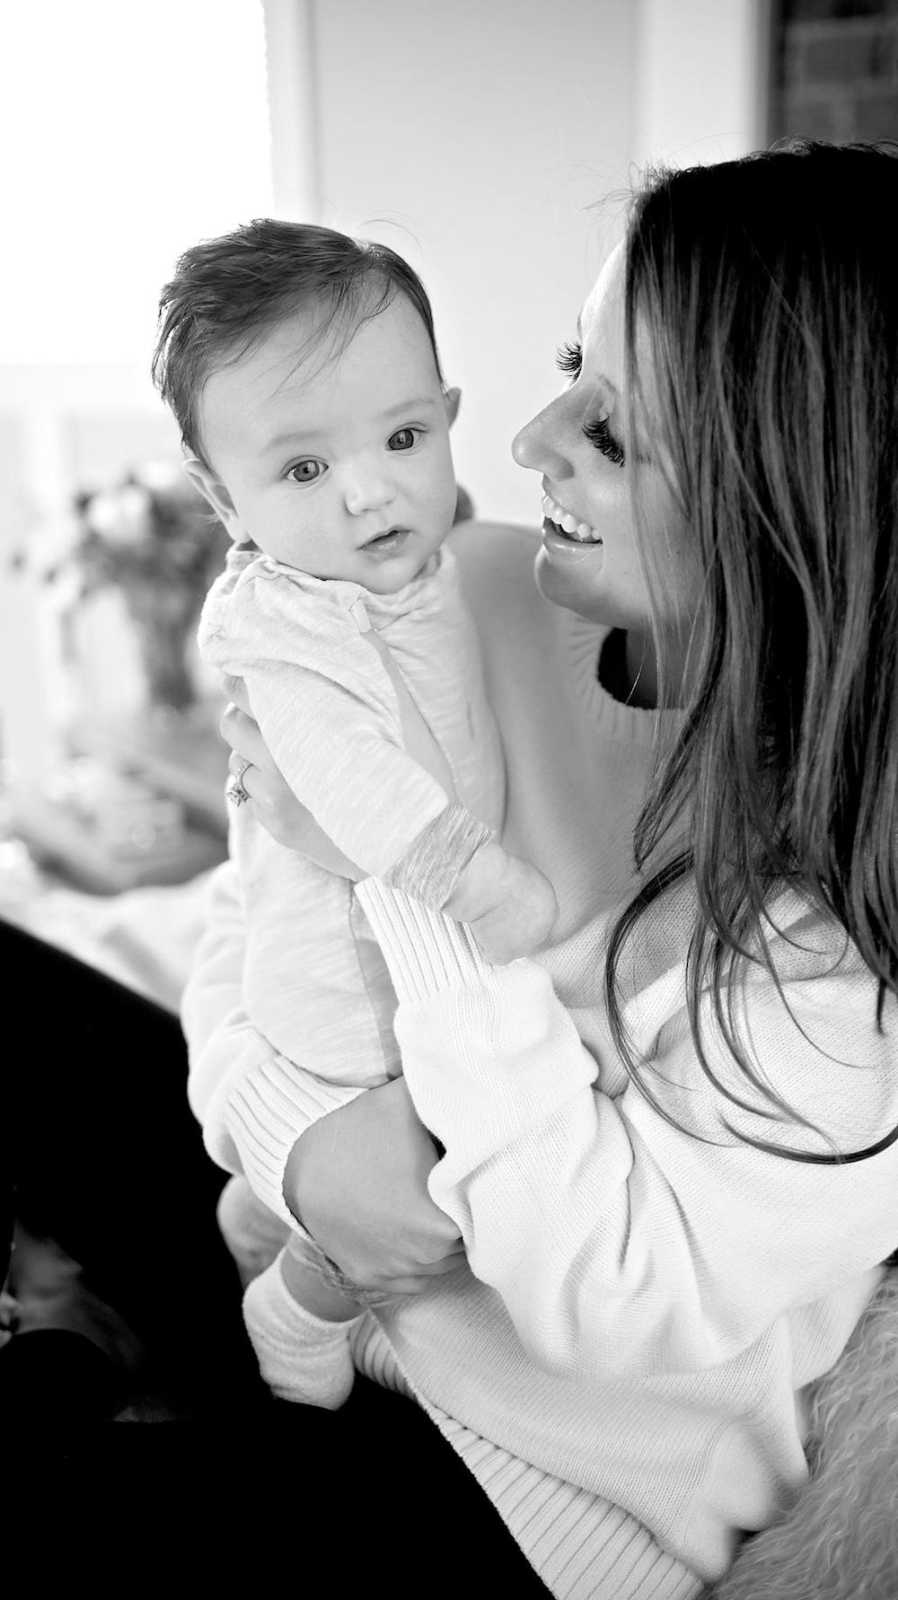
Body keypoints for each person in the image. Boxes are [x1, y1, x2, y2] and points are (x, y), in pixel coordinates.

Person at [185, 140, 898, 1599]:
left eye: (615, 435)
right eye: (574, 361)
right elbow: (247, 901)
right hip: (305, 1283)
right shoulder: (470, 594)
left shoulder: (837, 962)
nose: (524, 441)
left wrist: (393, 878)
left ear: (793, 509)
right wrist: (293, 1143)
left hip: (535, 1485)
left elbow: (612, 1300)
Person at [151, 220, 556, 1404]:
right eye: (304, 470)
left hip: (408, 971)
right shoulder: (285, 624)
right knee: (436, 1171)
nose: (374, 489)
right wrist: (493, 891)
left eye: (403, 436)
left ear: (448, 414)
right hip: (350, 1004)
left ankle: (251, 1218)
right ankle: (303, 1303)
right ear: (221, 499)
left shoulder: (424, 561)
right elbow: (362, 791)